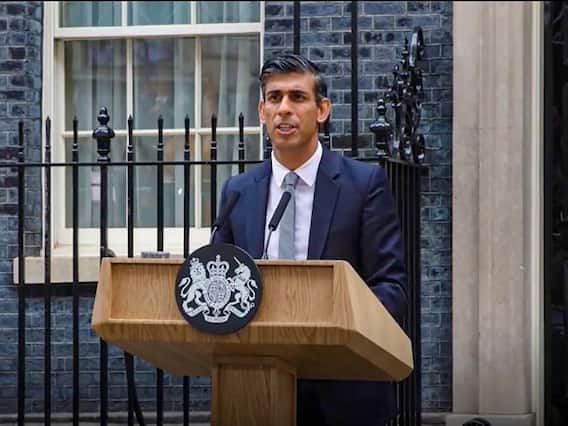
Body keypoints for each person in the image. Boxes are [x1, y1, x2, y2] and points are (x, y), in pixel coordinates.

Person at [213, 53, 407, 426]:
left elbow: (390, 287)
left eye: (297, 97)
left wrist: (336, 329)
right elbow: (218, 281)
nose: (284, 109)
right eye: (274, 98)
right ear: (262, 111)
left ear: (322, 110)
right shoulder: (238, 191)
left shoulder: (363, 184)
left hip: (345, 390)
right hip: (255, 388)